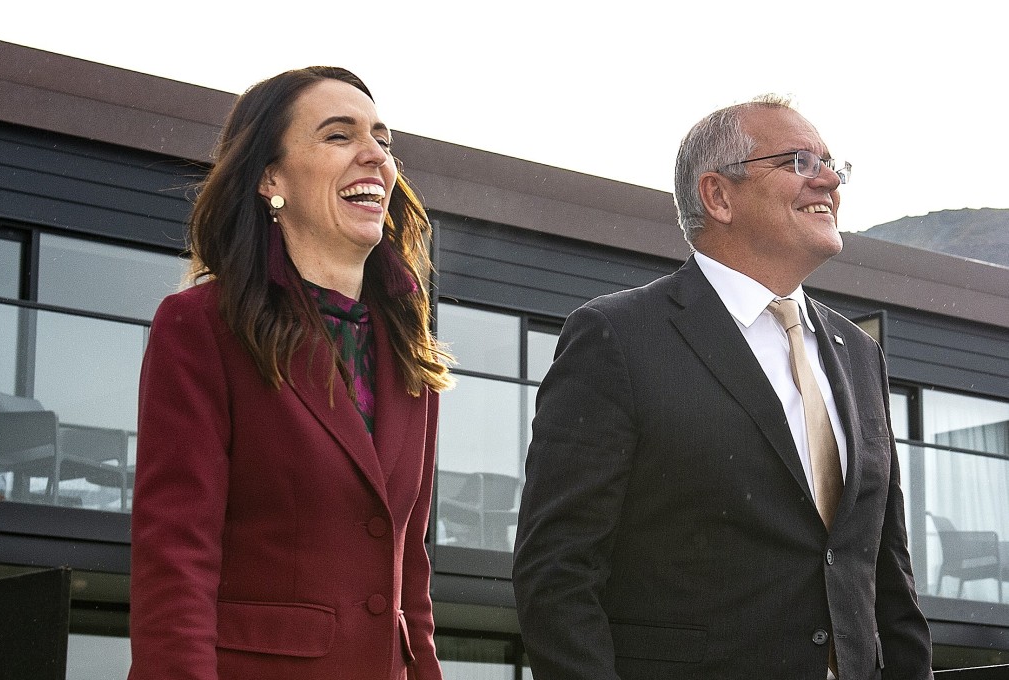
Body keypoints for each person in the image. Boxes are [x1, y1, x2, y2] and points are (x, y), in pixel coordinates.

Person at [513, 95, 933, 679]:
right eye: (800, 162)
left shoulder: (859, 354)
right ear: (718, 195)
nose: (830, 180)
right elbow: (557, 574)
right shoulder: (619, 336)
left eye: (833, 164)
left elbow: (887, 575)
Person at [128, 66, 452, 680]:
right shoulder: (200, 327)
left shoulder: (412, 352)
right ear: (270, 178)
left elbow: (410, 575)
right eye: (338, 136)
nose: (375, 156)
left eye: (383, 141)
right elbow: (176, 560)